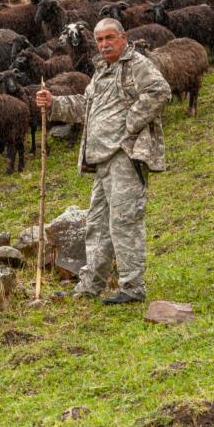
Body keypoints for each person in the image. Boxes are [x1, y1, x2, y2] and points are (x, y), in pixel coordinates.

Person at [34, 18, 171, 305]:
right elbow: (85, 107)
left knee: (124, 222)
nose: (105, 44)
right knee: (97, 224)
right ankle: (89, 286)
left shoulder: (136, 65)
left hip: (124, 156)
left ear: (124, 38)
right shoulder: (102, 72)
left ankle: (133, 288)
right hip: (102, 161)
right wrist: (54, 103)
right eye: (99, 40)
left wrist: (130, 123)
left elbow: (160, 91)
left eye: (110, 37)